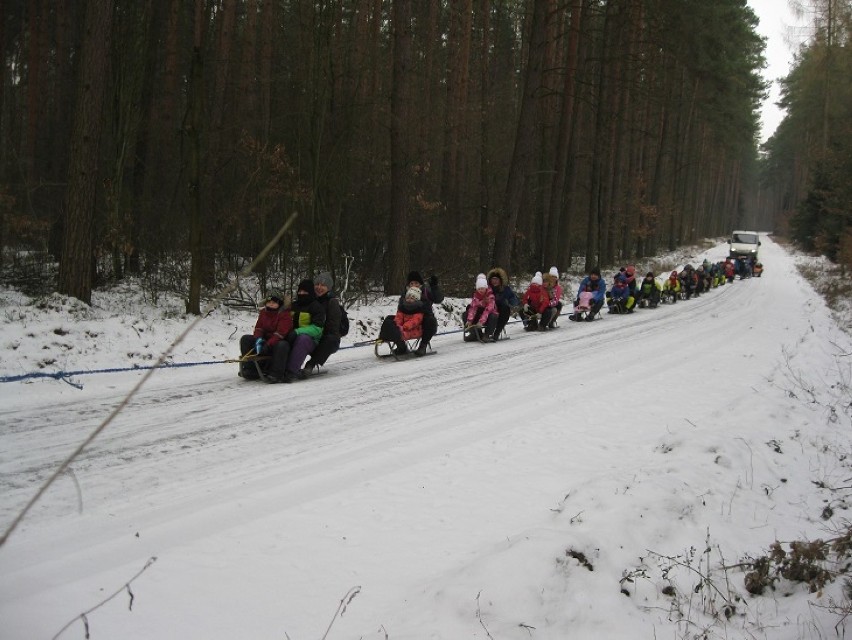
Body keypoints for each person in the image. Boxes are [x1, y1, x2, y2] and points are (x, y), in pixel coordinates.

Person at [378, 271, 444, 356]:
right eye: (411, 283)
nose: (414, 285)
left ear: (420, 284)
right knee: (389, 319)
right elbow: (401, 308)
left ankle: (423, 346)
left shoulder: (425, 291)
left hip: (423, 319)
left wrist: (434, 287)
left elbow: (438, 299)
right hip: (406, 317)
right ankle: (401, 346)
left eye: (416, 283)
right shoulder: (406, 292)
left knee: (431, 321)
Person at [238, 291, 294, 382]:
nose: (271, 304)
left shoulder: (285, 314)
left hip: (278, 341)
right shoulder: (264, 312)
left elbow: (281, 333)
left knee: (281, 345)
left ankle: (276, 374)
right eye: (269, 302)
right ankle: (251, 369)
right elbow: (259, 328)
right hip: (265, 340)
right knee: (246, 339)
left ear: (279, 304)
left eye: (274, 302)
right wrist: (258, 339)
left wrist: (268, 344)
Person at [283, 279, 325, 382]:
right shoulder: (294, 305)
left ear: (310, 292)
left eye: (305, 292)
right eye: (300, 292)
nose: (302, 294)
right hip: (292, 335)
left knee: (302, 339)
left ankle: (292, 371)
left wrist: (297, 332)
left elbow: (317, 328)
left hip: (312, 340)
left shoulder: (316, 307)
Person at [303, 271, 342, 373]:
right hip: (311, 333)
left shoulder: (332, 302)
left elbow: (333, 326)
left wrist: (317, 333)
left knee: (330, 339)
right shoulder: (309, 299)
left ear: (328, 288)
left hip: (327, 337)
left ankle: (310, 364)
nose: (319, 287)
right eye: (317, 284)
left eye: (323, 285)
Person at [486, 267, 520, 340]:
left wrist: (510, 301)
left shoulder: (505, 289)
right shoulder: (487, 289)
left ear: (500, 280)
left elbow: (515, 300)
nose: (494, 281)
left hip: (501, 312)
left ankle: (497, 332)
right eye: (493, 279)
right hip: (488, 311)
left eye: (496, 279)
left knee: (505, 307)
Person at [464, 274, 498, 342]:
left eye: (482, 288)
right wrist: (469, 320)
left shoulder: (490, 296)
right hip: (480, 316)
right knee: (465, 314)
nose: (480, 290)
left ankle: (487, 335)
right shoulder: (476, 297)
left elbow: (488, 310)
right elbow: (473, 308)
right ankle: (476, 334)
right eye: (479, 289)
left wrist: (481, 321)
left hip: (489, 316)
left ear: (486, 287)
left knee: (493, 316)